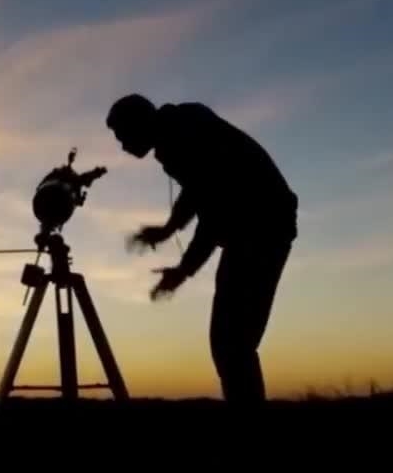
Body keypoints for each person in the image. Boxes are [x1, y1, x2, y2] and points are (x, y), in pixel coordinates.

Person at [107, 94, 297, 405]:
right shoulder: (181, 132)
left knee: (231, 343)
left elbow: (212, 213)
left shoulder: (184, 136)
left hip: (260, 229)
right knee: (232, 342)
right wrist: (169, 229)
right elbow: (196, 193)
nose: (123, 146)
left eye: (122, 135)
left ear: (138, 124)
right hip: (256, 229)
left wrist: (183, 271)